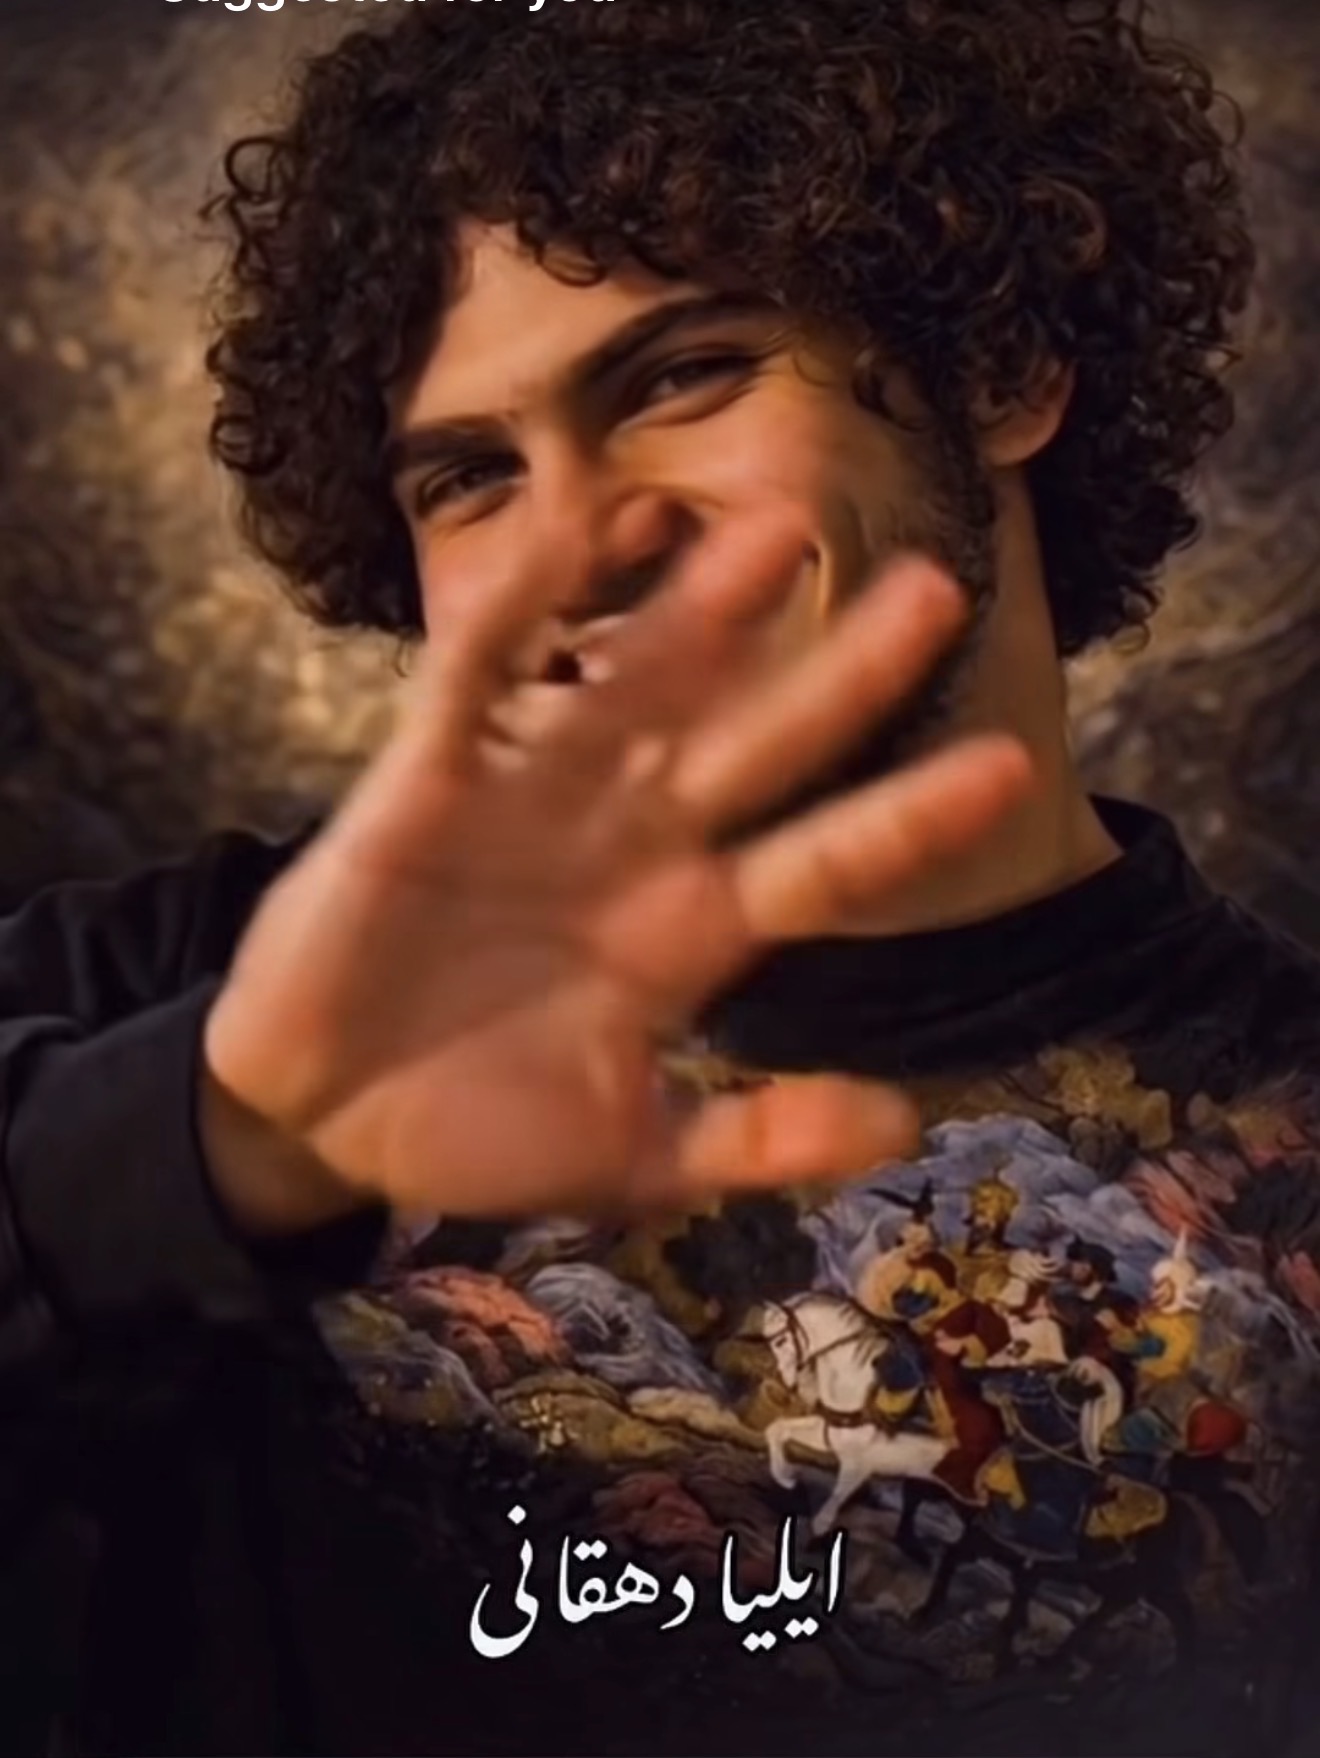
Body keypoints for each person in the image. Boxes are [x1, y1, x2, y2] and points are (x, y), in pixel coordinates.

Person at [2, 2, 1318, 1754]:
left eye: (682, 377)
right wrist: (214, 1142)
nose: (580, 543)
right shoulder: (163, 992)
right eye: (472, 476)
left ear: (1003, 369)